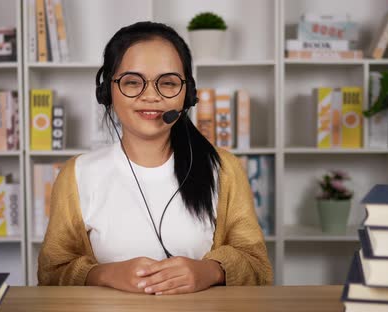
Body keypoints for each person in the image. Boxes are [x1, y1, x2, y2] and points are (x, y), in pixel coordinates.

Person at [38, 21, 273, 295]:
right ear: (107, 93)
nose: (151, 96)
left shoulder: (223, 168)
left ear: (188, 94)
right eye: (132, 82)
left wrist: (210, 270)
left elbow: (258, 268)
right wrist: (103, 274)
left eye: (169, 83)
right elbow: (51, 272)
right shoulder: (77, 174)